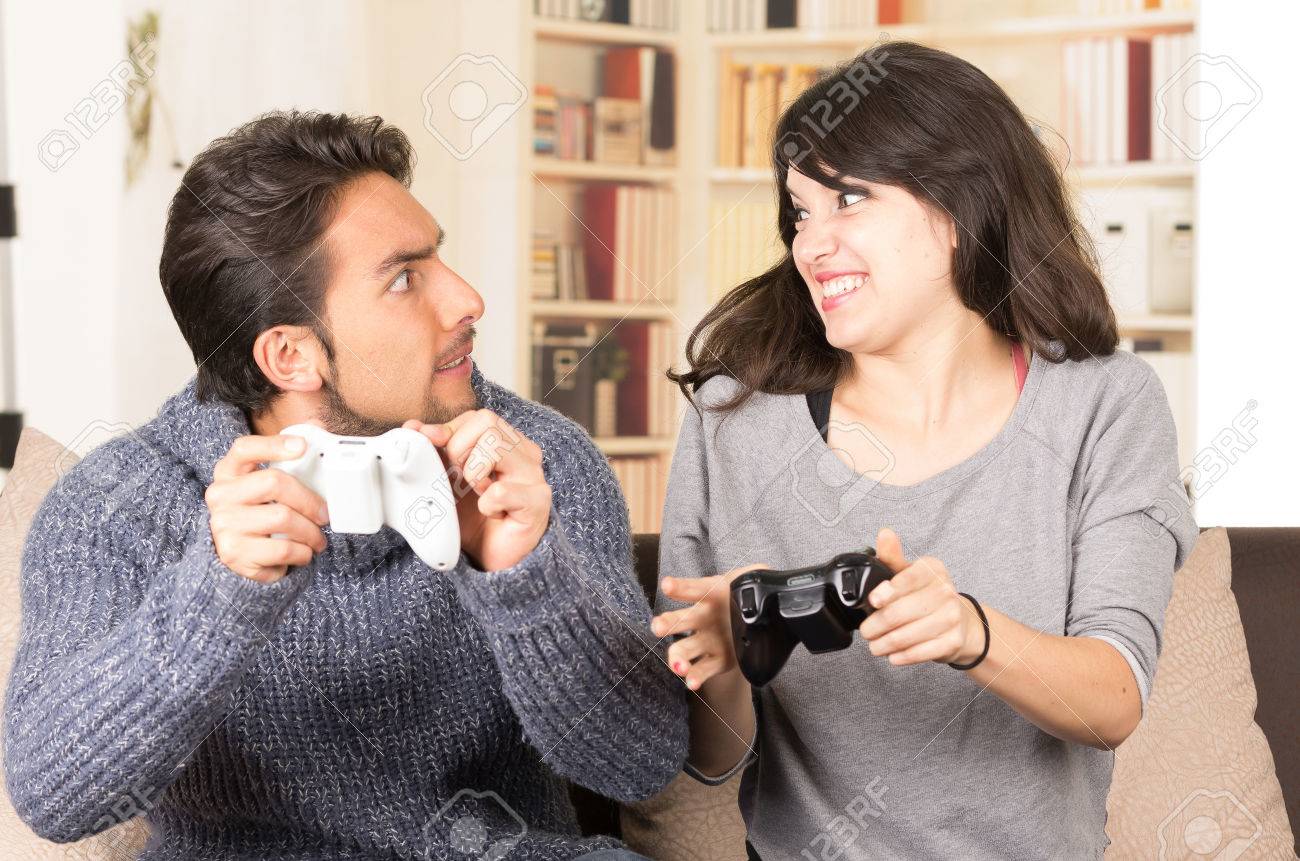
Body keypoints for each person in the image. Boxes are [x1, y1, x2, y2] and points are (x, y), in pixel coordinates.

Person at [4, 111, 684, 860]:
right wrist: (217, 594)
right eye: (404, 278)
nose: (467, 300)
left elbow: (640, 764)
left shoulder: (535, 461)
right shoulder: (116, 506)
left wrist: (522, 575)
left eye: (440, 260)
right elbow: (55, 796)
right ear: (291, 355)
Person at [651, 42, 1198, 860]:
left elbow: (1112, 699)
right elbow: (709, 755)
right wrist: (725, 660)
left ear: (957, 206)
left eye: (847, 200)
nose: (810, 245)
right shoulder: (735, 420)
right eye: (801, 212)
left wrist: (969, 630)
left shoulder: (1105, 404)